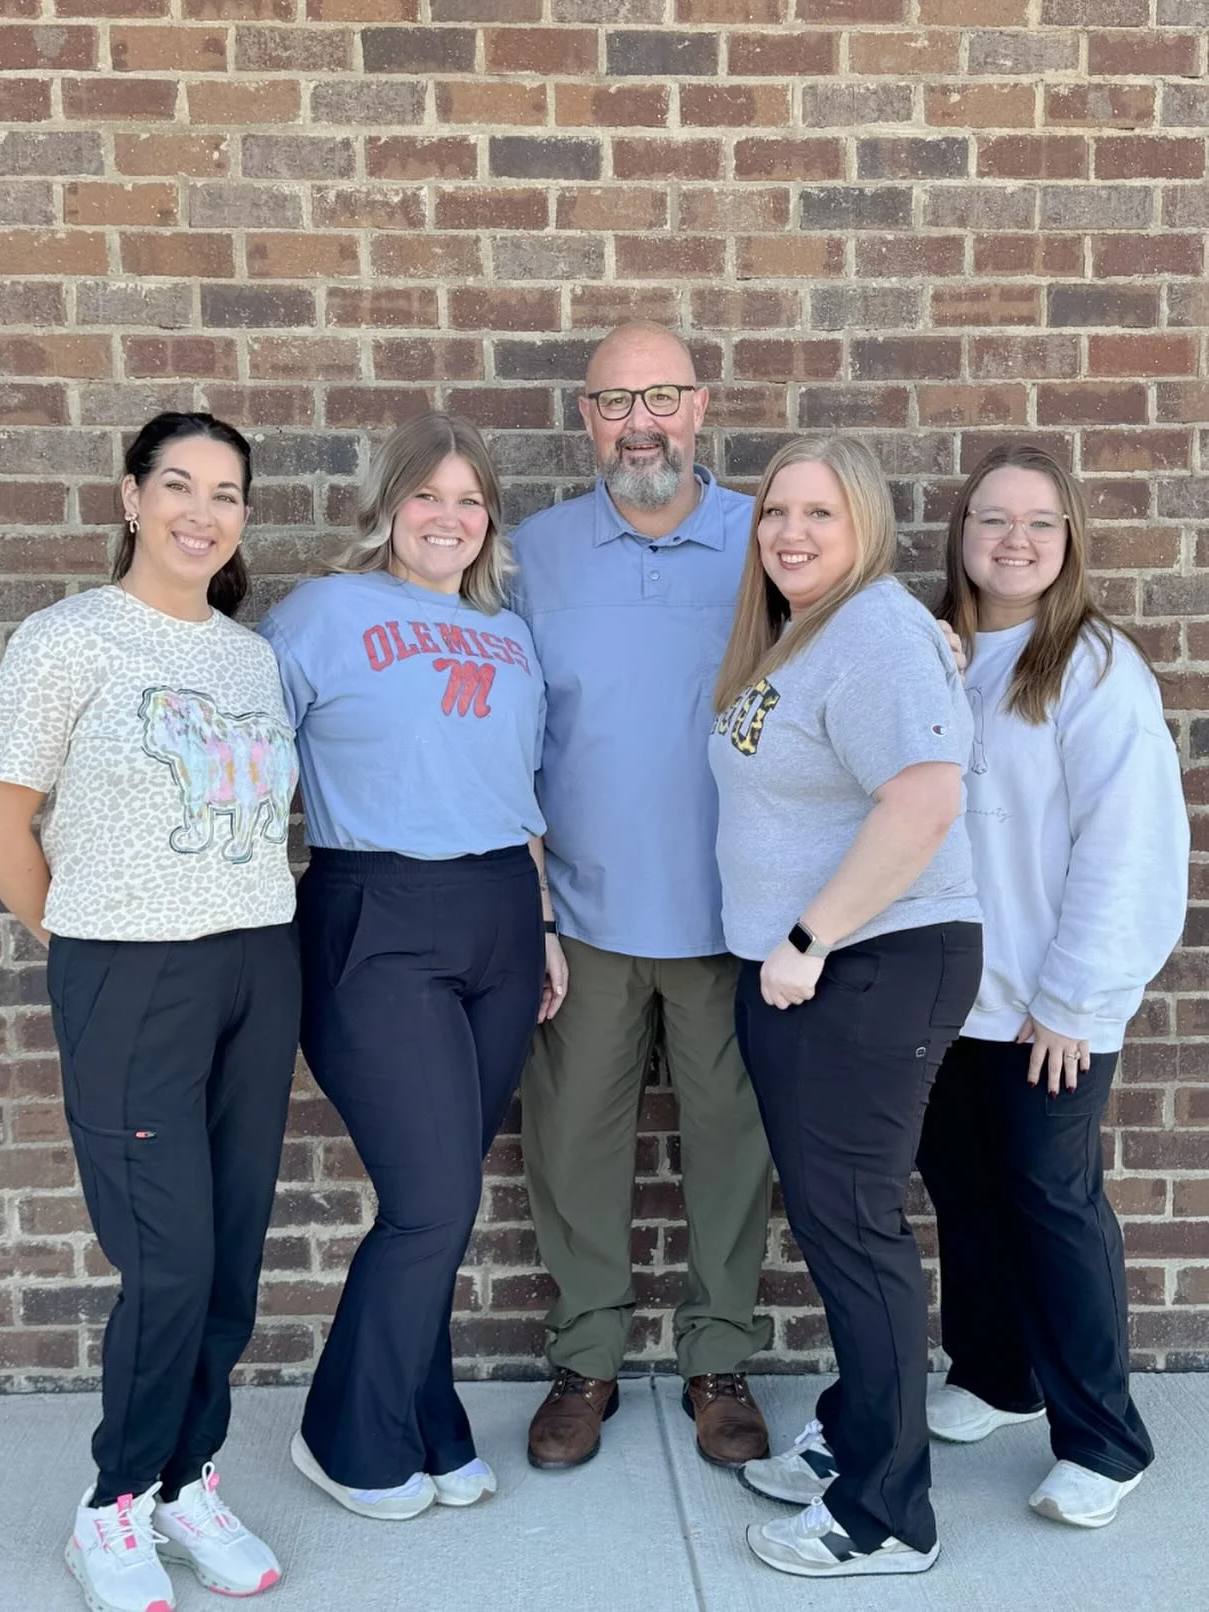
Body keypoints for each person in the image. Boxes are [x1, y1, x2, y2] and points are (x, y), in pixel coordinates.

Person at [0, 412, 300, 1610]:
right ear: (129, 497)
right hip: (130, 972)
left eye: (224, 492)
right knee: (169, 1261)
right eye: (177, 485)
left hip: (258, 964)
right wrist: (78, 933)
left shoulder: (249, 657)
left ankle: (184, 1479)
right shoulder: (68, 642)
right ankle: (111, 1504)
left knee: (233, 1258)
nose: (200, 511)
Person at [260, 412, 566, 1521]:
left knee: (441, 1191)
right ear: (385, 506)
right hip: (372, 908)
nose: (448, 518)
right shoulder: (319, 617)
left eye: (469, 499)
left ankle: (427, 1414)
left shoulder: (510, 631)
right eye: (426, 496)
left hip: (495, 912)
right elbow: (248, 769)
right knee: (430, 1199)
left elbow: (519, 791)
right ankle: (344, 1436)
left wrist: (538, 920)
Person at [709, 434, 983, 1579]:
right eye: (777, 511)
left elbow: (922, 799)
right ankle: (855, 1437)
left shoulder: (870, 627)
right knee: (837, 1226)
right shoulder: (808, 635)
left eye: (820, 512)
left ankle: (886, 1515)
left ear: (863, 523)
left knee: (855, 1232)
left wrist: (808, 936)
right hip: (816, 974)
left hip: (861, 966)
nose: (791, 533)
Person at [512, 322, 775, 1472]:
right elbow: (495, 735)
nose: (640, 423)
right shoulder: (529, 553)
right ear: (585, 419)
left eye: (661, 395)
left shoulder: (771, 539)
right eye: (615, 402)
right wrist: (525, 904)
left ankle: (716, 1358)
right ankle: (587, 1362)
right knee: (571, 1147)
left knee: (733, 1146)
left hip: (740, 917)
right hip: (585, 918)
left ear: (700, 404)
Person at [916, 444, 1189, 1529]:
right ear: (960, 532)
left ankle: (1103, 1438)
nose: (1014, 540)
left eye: (1039, 522)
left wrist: (1077, 999)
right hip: (939, 998)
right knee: (965, 1199)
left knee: (1049, 1203)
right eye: (993, 519)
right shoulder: (928, 649)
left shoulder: (1091, 665)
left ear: (1067, 538)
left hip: (1045, 1006)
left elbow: (1127, 843)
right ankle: (994, 1374)